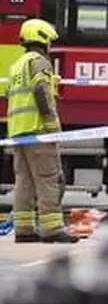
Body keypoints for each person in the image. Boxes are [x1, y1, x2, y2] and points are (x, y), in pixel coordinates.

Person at [6, 18, 76, 243]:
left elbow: (15, 94)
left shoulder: (18, 65)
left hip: (18, 132)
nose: (50, 47)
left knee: (24, 181)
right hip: (39, 131)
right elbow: (40, 92)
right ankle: (52, 228)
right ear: (43, 39)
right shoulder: (40, 62)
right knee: (48, 178)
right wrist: (51, 124)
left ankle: (24, 229)